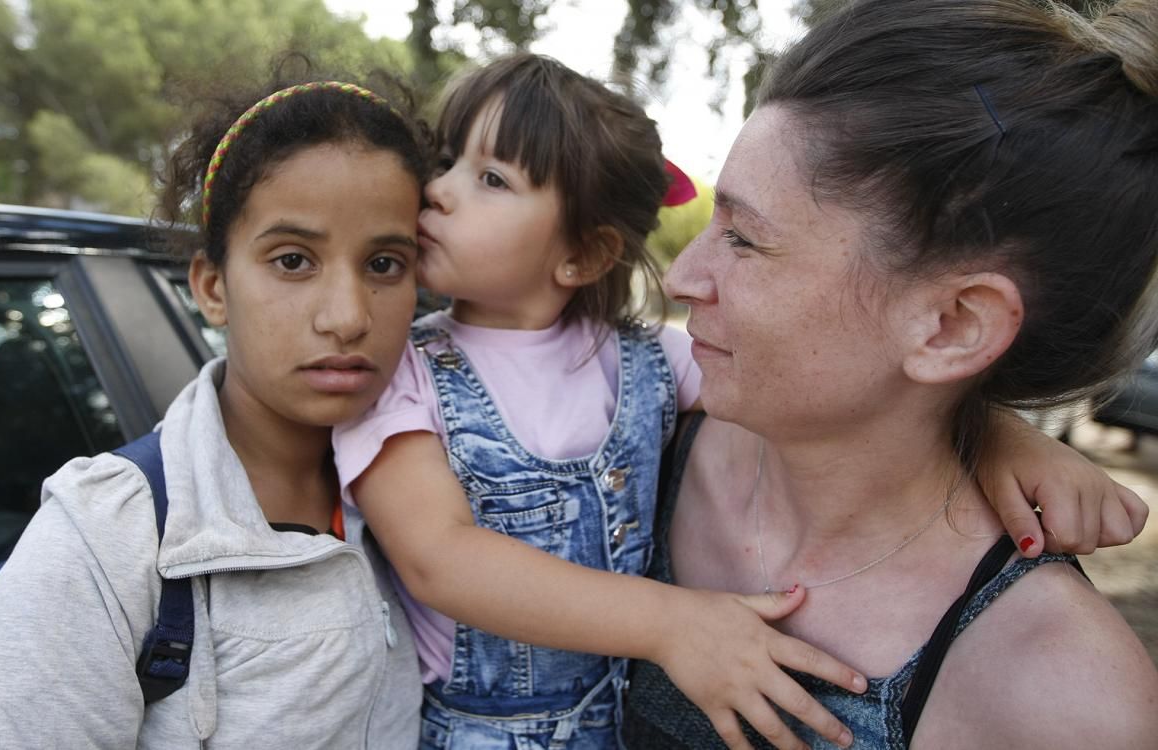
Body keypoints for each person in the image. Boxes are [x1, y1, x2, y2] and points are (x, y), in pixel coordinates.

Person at [334, 53, 1146, 750]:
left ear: (582, 255)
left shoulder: (643, 363)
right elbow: (437, 557)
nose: (434, 191)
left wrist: (1001, 432)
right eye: (444, 160)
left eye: (746, 237)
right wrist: (669, 623)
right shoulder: (401, 366)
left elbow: (905, 401)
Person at [621, 0, 1158, 748]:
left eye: (743, 239)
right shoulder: (623, 445)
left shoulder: (1064, 697)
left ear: (952, 326)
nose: (682, 277)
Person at [0, 69, 430, 748]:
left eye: (385, 264)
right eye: (293, 260)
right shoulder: (106, 543)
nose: (348, 317)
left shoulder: (431, 496)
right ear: (211, 286)